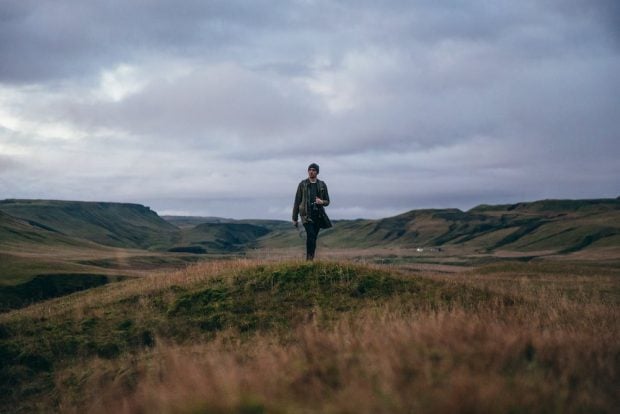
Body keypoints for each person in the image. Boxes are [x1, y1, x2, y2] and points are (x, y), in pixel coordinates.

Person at [292, 163, 332, 260]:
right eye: (310, 170)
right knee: (311, 235)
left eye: (314, 170)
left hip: (318, 215)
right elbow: (297, 201)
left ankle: (311, 259)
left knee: (313, 238)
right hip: (306, 215)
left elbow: (327, 201)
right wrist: (294, 218)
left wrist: (321, 201)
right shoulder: (302, 184)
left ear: (317, 172)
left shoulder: (322, 184)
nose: (311, 171)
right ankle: (309, 260)